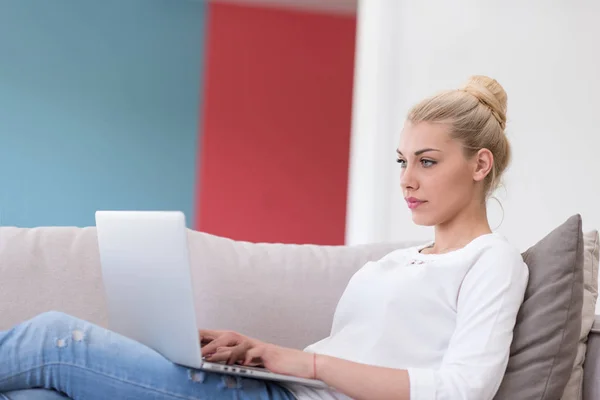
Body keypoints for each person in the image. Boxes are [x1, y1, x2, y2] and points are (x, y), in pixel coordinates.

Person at [0, 75, 528, 400]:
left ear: (480, 164)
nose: (407, 180)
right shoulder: (394, 262)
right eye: (402, 162)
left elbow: (464, 390)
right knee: (38, 394)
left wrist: (301, 361)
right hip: (273, 388)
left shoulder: (492, 261)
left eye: (427, 162)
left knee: (52, 339)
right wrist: (257, 352)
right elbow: (351, 355)